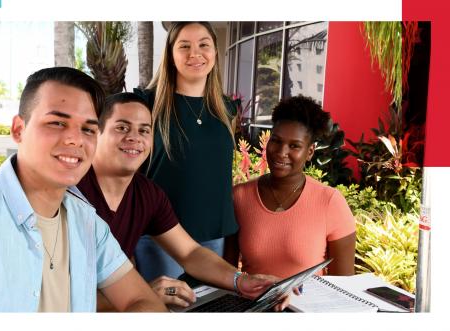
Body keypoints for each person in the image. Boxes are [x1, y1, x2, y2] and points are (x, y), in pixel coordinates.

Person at [0, 67, 167, 312]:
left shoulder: (87, 223)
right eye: (57, 123)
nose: (75, 139)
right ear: (18, 129)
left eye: (88, 129)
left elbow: (142, 300)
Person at [77, 92, 291, 311]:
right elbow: (56, 293)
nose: (134, 137)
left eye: (144, 130)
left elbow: (190, 252)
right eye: (122, 128)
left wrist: (242, 281)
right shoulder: (73, 192)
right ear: (96, 133)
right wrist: (141, 296)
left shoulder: (146, 193)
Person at [133, 22, 239, 282]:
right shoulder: (147, 104)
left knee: (204, 309)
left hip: (214, 234)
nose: (195, 53)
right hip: (161, 237)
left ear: (215, 52)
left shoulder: (226, 109)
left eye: (204, 45)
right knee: (164, 311)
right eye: (184, 46)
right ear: (170, 54)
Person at [225, 96, 356, 278]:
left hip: (308, 306)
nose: (281, 152)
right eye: (276, 141)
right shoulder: (239, 197)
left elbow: (344, 287)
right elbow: (226, 274)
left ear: (309, 152)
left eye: (294, 146)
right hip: (250, 305)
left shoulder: (330, 203)